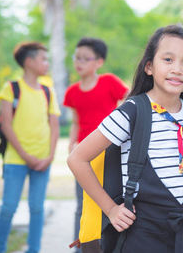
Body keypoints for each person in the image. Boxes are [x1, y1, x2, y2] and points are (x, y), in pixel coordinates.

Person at [67, 25, 183, 252]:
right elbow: (77, 159)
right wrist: (111, 209)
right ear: (149, 66)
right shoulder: (132, 112)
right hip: (141, 234)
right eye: (168, 59)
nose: (177, 69)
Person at [0, 42, 60, 253]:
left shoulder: (48, 91)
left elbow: (54, 126)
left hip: (43, 161)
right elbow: (6, 125)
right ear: (29, 62)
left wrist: (49, 157)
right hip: (16, 160)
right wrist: (25, 155)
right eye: (43, 59)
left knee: (37, 208)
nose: (47, 63)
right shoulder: (11, 88)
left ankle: (34, 250)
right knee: (9, 207)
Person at [63, 37, 129, 252]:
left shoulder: (109, 81)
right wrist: (73, 143)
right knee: (82, 205)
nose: (79, 62)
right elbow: (75, 122)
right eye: (77, 57)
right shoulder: (72, 92)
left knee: (109, 201)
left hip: (109, 154)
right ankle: (81, 248)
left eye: (85, 58)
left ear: (99, 62)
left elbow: (131, 99)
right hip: (83, 156)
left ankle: (110, 245)